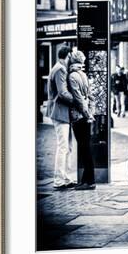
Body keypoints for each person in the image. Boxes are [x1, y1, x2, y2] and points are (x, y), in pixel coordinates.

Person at [46, 44, 76, 189]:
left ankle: (66, 178)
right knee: (63, 146)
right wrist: (76, 100)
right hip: (60, 112)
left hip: (62, 112)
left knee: (67, 146)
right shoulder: (60, 69)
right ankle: (59, 180)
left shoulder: (57, 67)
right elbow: (62, 93)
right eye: (71, 56)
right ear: (68, 56)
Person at [68, 49, 96, 190]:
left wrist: (86, 114)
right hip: (86, 117)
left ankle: (89, 181)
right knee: (86, 147)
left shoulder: (72, 76)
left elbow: (78, 98)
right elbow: (91, 96)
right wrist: (91, 113)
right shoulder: (83, 75)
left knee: (84, 148)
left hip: (79, 117)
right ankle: (87, 180)